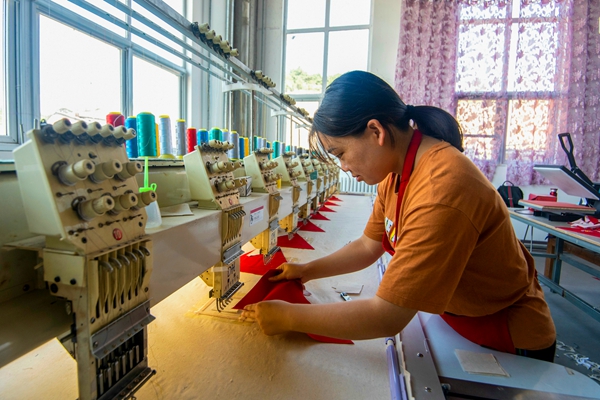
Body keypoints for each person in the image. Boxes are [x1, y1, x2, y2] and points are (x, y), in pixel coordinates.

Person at [240, 70, 556, 361]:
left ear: (375, 131)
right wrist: (306, 270)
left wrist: (288, 316)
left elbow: (386, 316)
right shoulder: (395, 173)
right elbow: (368, 245)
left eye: (341, 153)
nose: (343, 167)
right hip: (457, 319)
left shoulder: (442, 188)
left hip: (507, 337)